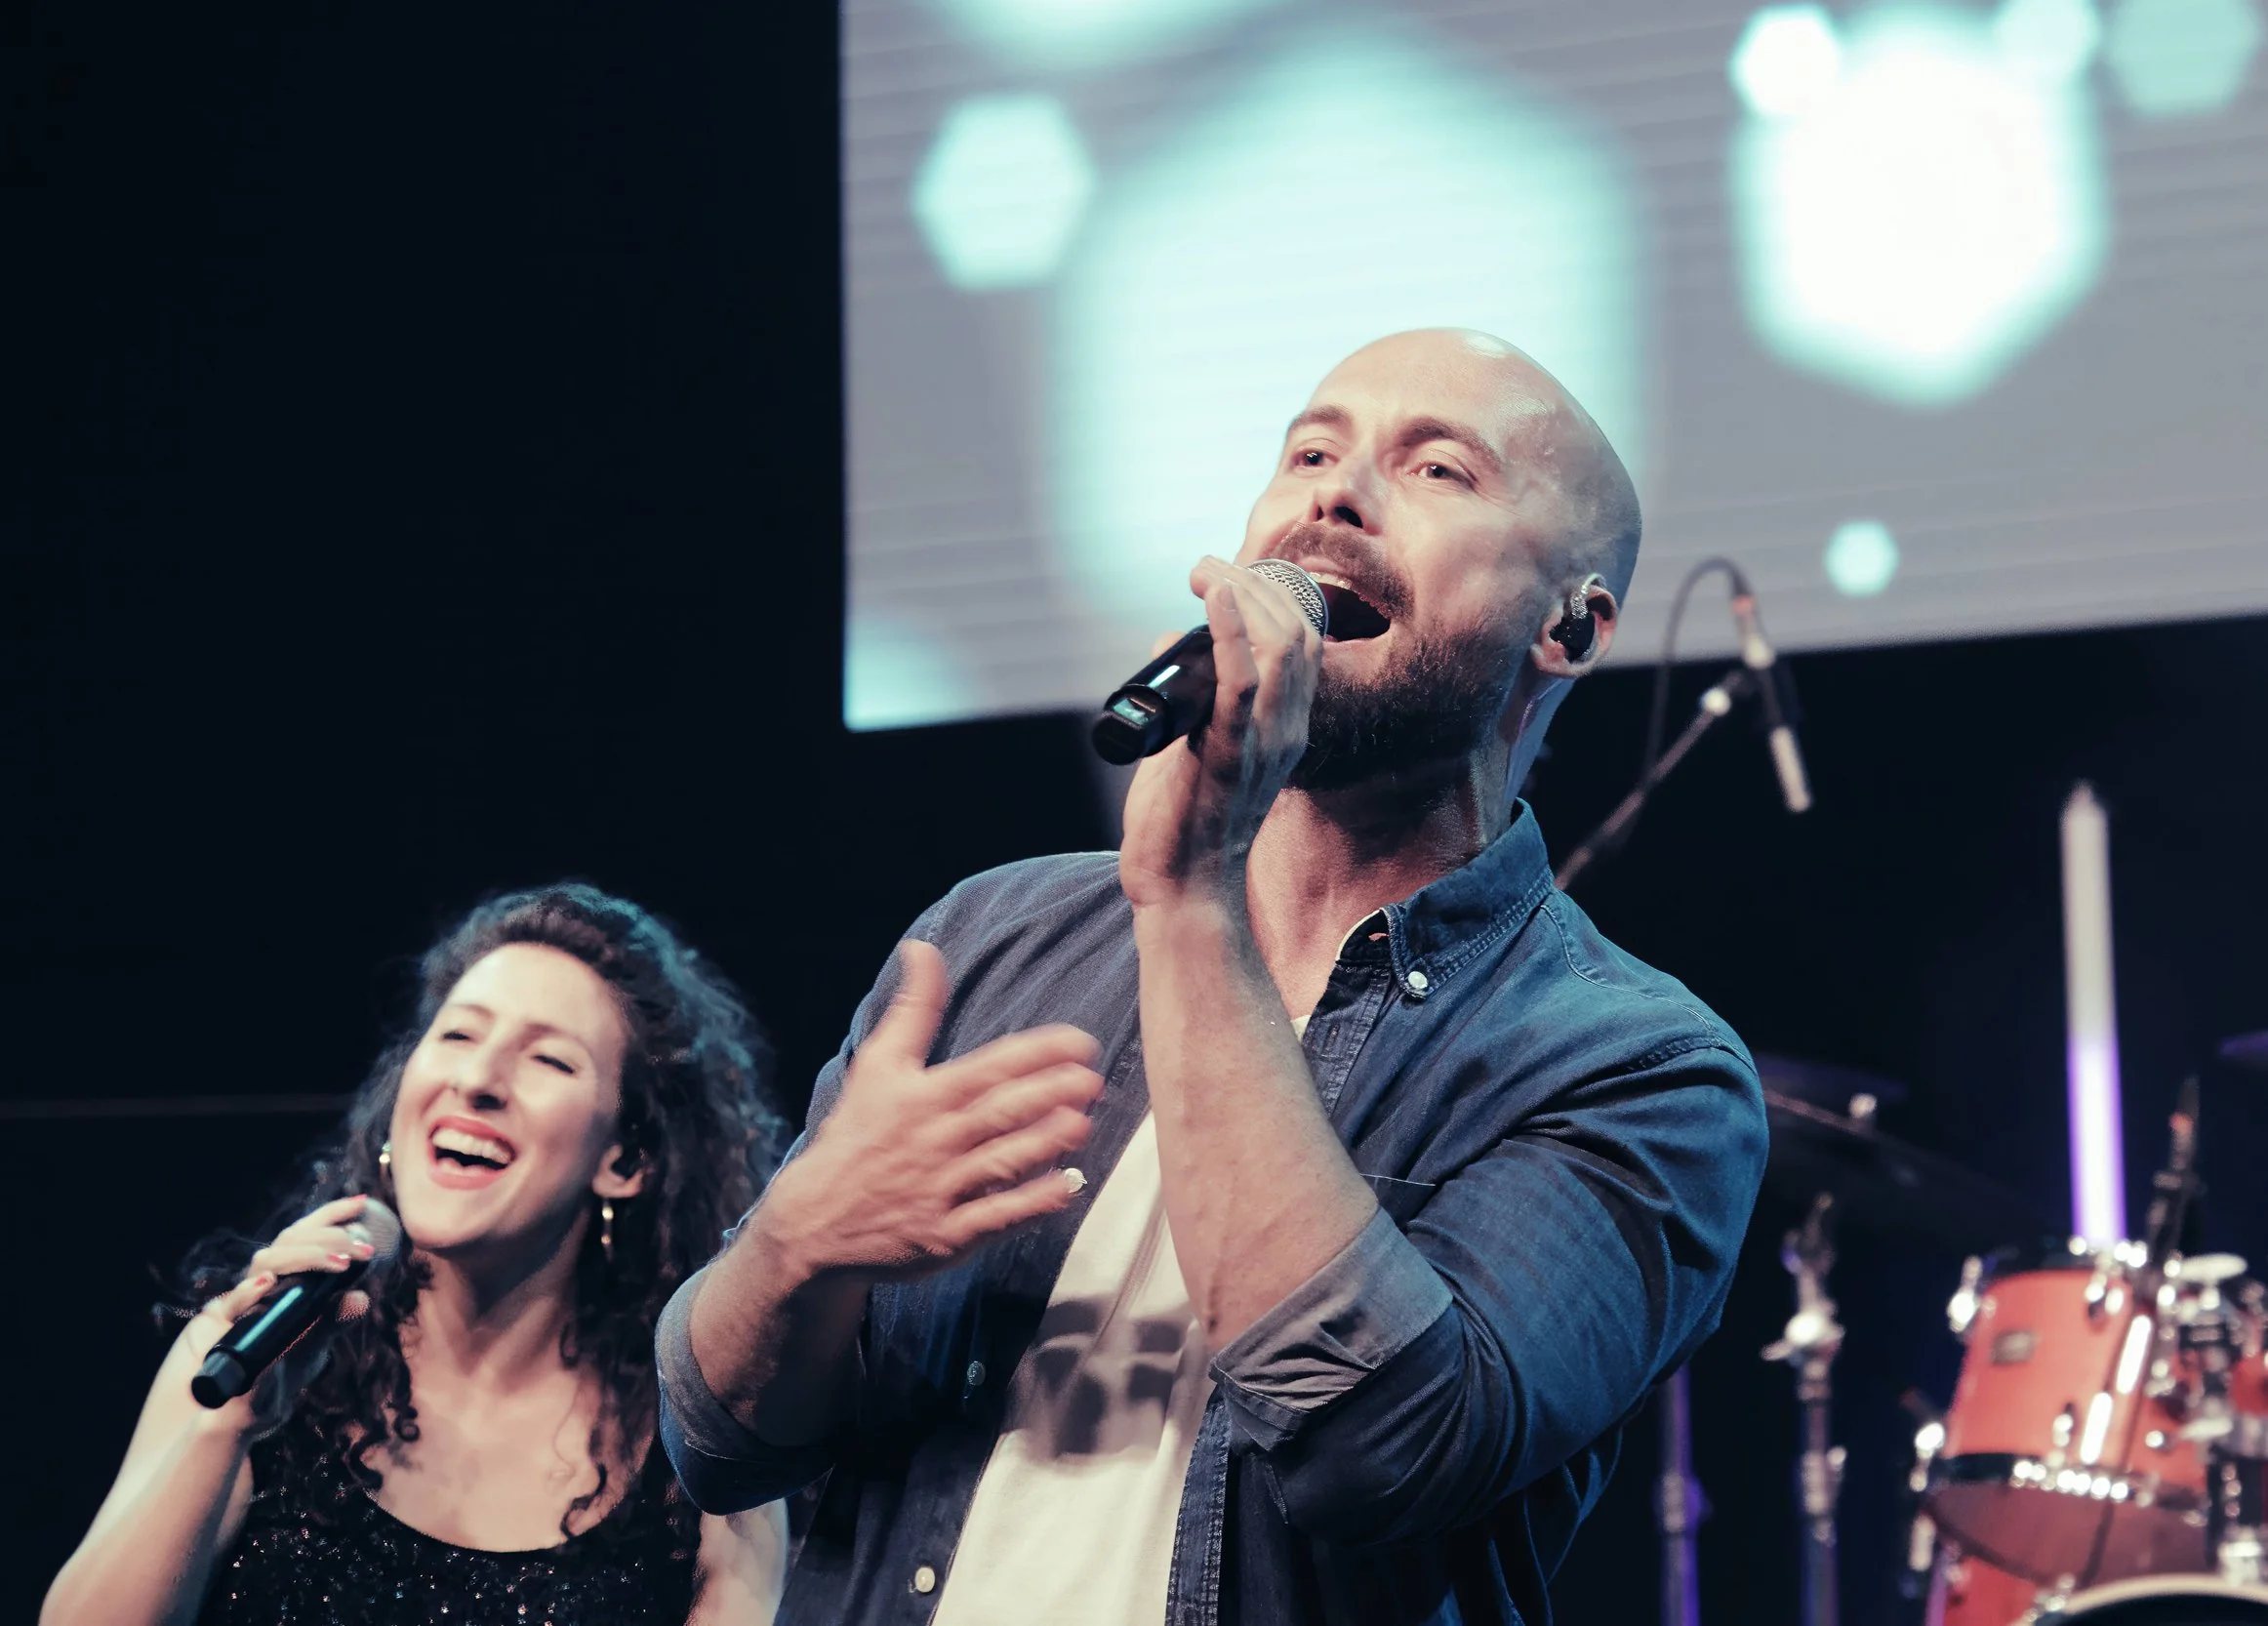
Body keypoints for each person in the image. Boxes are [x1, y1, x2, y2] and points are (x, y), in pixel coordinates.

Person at [656, 330, 1771, 1624]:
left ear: (1570, 627)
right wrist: (798, 1246)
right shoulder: (990, 938)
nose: (1335, 493)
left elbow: (1382, 1442)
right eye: (1309, 449)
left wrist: (1191, 899)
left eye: (1439, 470)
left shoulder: (1635, 1067)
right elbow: (721, 1438)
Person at [45, 883, 793, 1626]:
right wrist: (223, 1428)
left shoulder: (704, 1454)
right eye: (459, 1035)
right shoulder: (255, 1346)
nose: (476, 1081)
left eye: (549, 1061)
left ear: (624, 1161)